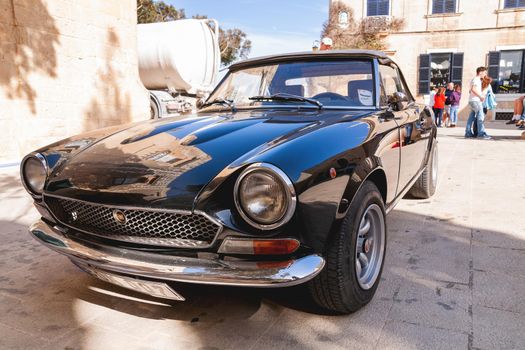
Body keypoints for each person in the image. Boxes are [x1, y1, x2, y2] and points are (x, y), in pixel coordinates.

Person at [465, 67, 490, 139]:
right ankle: (481, 134)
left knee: (471, 118)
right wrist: (480, 96)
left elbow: (470, 90)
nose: (485, 74)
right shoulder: (476, 79)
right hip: (476, 101)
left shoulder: (475, 79)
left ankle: (468, 133)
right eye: (485, 73)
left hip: (472, 100)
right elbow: (473, 89)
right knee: (480, 117)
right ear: (480, 72)